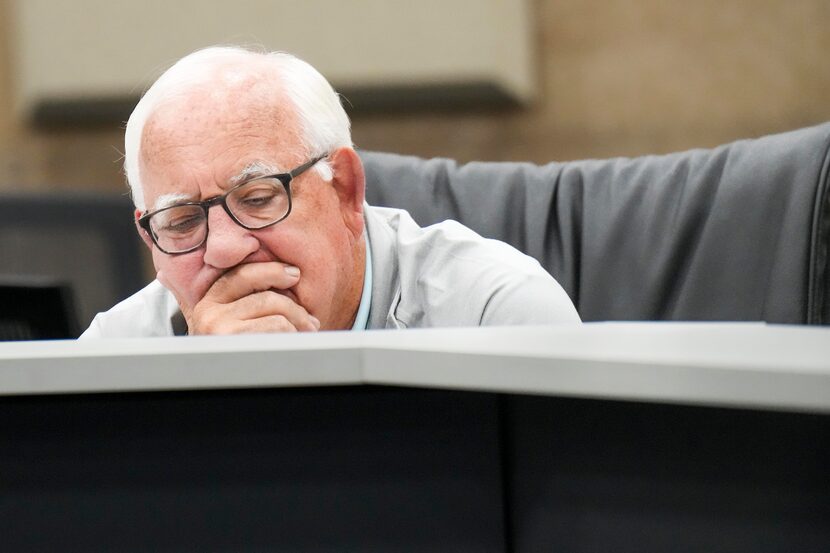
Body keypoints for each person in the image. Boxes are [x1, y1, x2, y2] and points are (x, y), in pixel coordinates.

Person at [81, 46, 580, 338]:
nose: (226, 248)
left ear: (345, 191)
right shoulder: (114, 352)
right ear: (150, 241)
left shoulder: (497, 318)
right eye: (183, 221)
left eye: (257, 198)